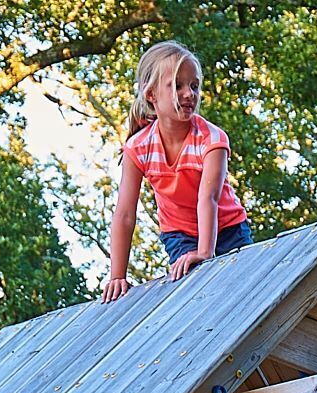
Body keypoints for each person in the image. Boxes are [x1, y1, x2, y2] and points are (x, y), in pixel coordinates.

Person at [100, 41, 251, 303]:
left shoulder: (211, 139)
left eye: (194, 86)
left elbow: (209, 198)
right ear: (152, 95)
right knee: (194, 291)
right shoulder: (138, 148)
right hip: (180, 234)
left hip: (228, 229)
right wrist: (117, 276)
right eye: (177, 85)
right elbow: (125, 214)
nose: (189, 93)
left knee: (243, 294)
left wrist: (205, 251)